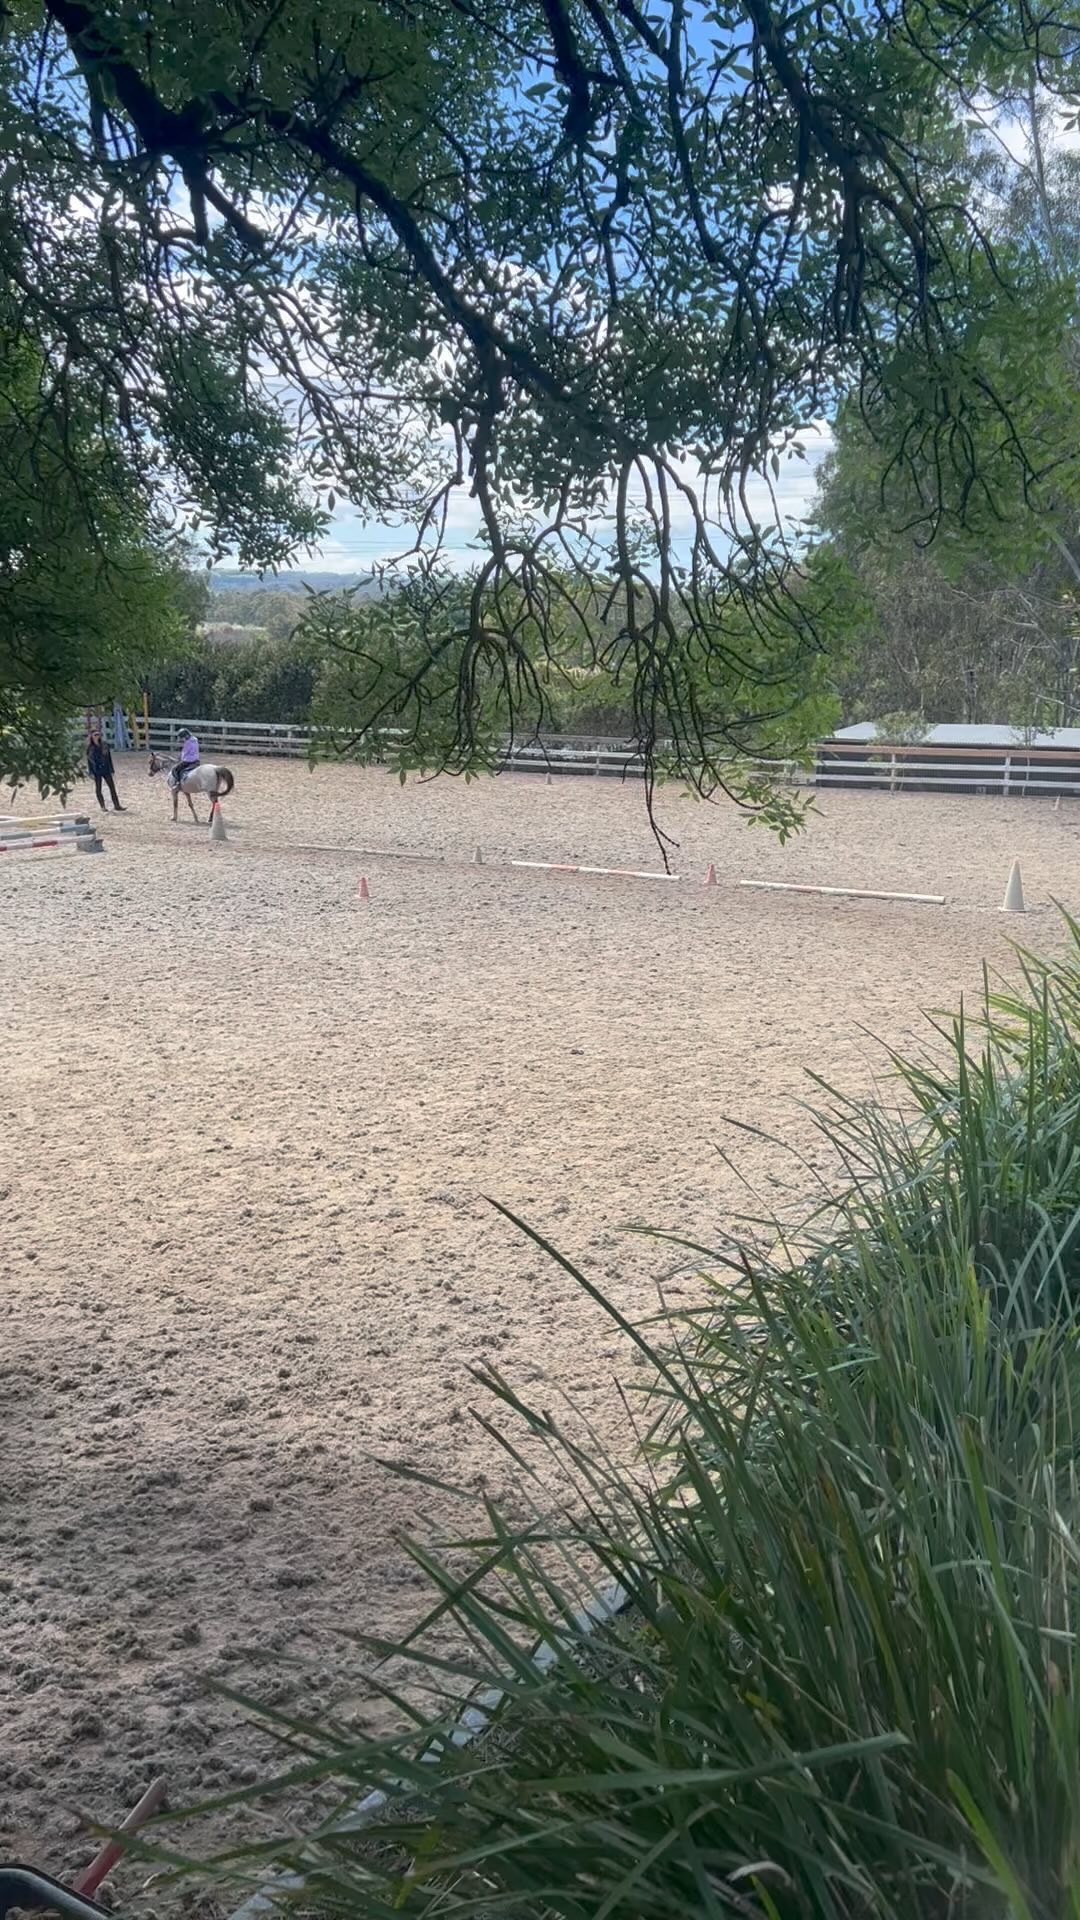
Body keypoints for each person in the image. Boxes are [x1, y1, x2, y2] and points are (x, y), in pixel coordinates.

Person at [86, 731, 125, 811]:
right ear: (92, 736)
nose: (97, 736)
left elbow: (109, 758)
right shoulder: (90, 748)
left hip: (106, 768)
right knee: (98, 788)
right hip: (96, 770)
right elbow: (89, 761)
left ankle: (117, 805)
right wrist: (90, 772)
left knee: (112, 787)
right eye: (95, 735)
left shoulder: (104, 745)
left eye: (98, 734)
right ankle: (102, 806)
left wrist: (112, 769)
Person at [169, 728, 201, 794]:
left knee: (175, 769)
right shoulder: (195, 739)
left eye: (182, 738)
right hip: (196, 760)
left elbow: (185, 752)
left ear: (185, 736)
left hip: (188, 761)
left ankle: (178, 784)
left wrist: (179, 759)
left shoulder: (187, 742)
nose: (182, 739)